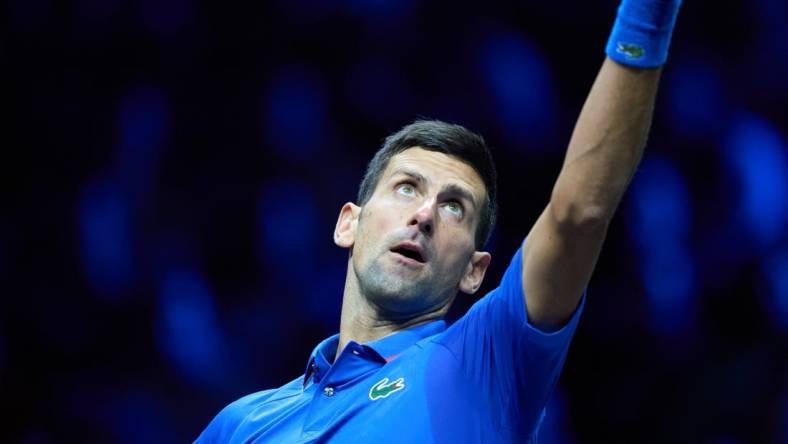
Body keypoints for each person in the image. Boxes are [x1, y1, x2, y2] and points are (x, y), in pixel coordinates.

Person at [197, 0, 682, 442]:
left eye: (455, 207)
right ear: (349, 223)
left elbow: (579, 213)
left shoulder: (483, 362)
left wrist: (647, 15)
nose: (425, 213)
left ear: (475, 269)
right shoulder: (241, 424)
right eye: (406, 187)